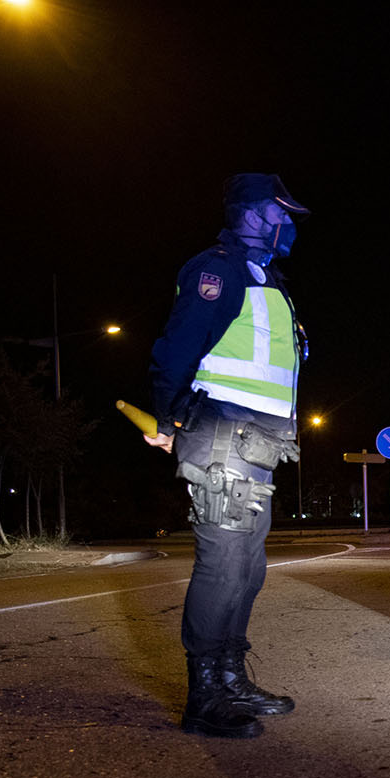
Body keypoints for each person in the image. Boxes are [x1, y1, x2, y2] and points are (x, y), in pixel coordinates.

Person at [145, 173, 311, 738]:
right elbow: (177, 346)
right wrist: (167, 418)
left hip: (258, 442)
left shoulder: (268, 280)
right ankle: (204, 697)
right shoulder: (217, 270)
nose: (287, 223)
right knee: (222, 565)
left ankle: (231, 676)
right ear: (254, 212)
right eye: (280, 212)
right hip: (223, 434)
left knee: (249, 566)